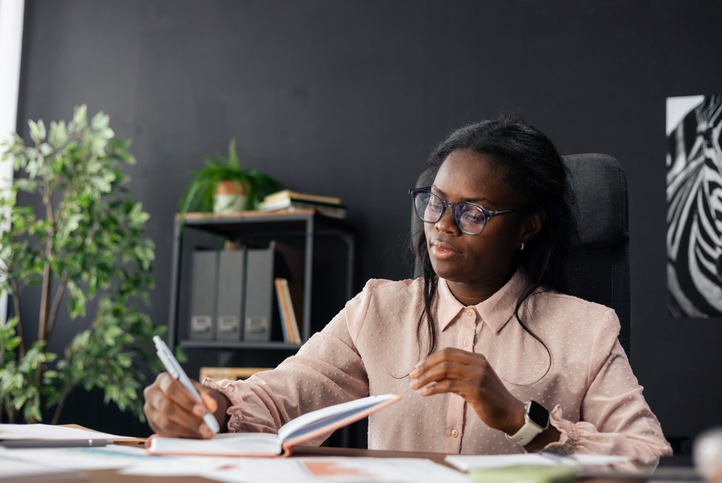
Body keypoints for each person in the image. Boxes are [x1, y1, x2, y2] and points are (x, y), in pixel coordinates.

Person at [144, 116, 672, 471]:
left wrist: (520, 420)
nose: (442, 225)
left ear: (528, 226)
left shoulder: (586, 328)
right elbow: (282, 395)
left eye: (473, 213)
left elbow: (644, 454)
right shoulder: (379, 309)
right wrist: (205, 405)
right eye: (435, 202)